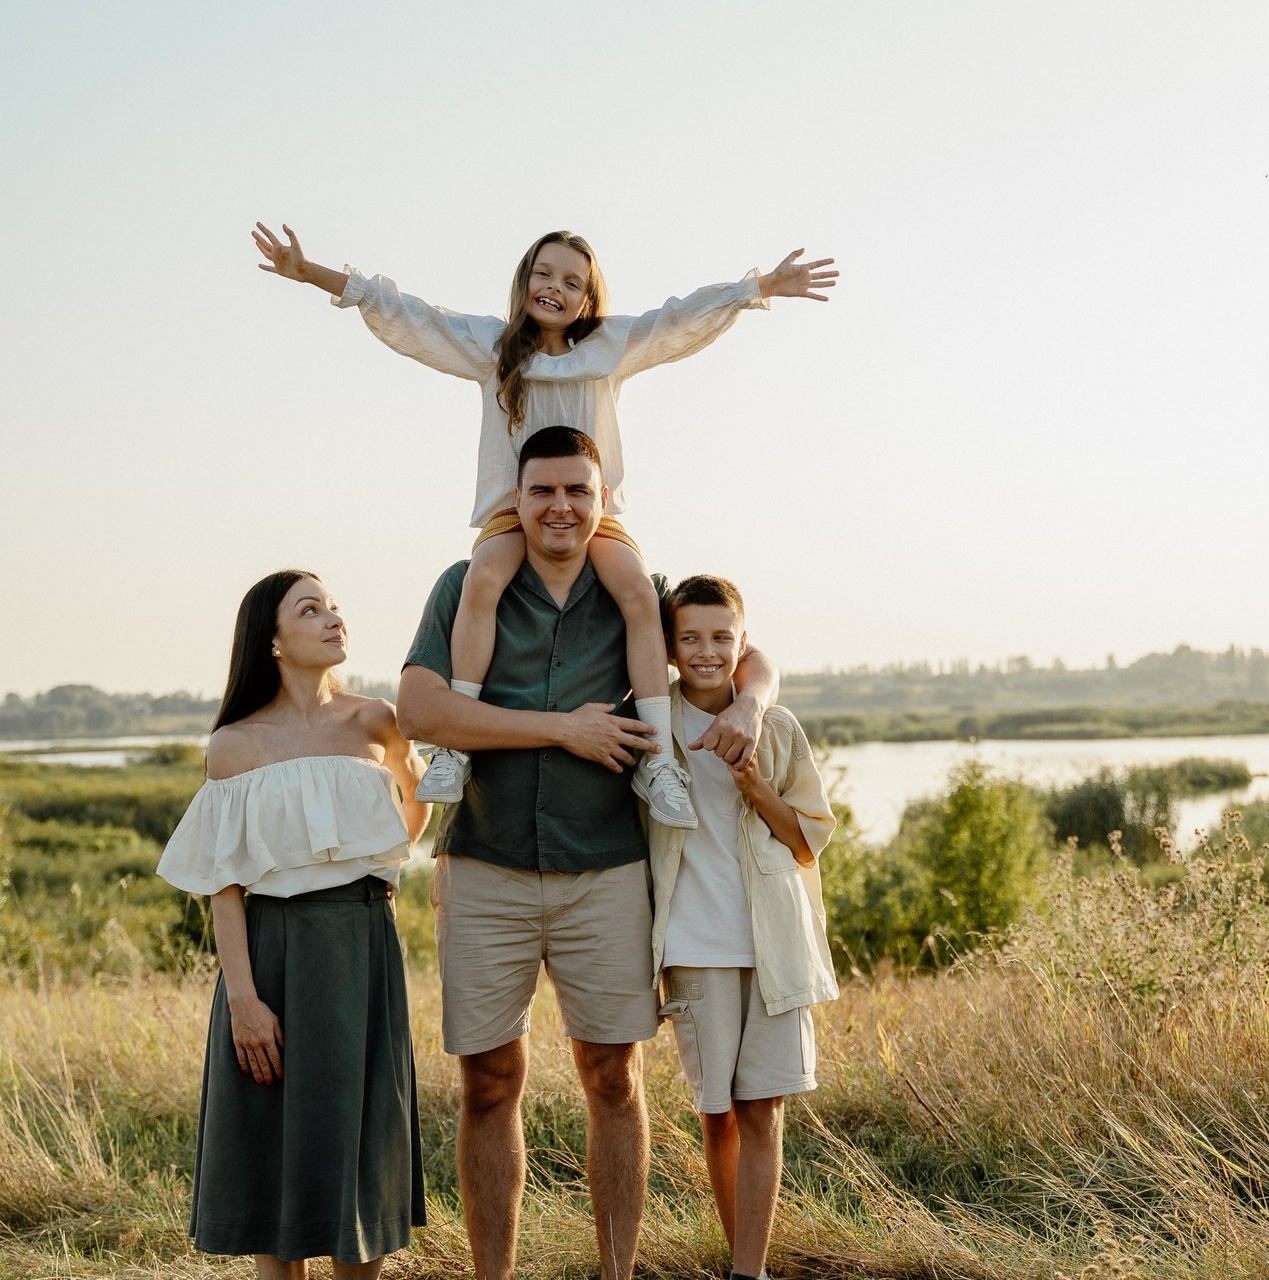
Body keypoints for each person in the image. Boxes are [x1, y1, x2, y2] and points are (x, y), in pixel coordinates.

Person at [252, 221, 835, 826]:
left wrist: (758, 286)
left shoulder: (610, 347)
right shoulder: (491, 346)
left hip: (591, 514)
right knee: (482, 578)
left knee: (636, 588)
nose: (555, 287)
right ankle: (453, 748)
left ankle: (658, 759)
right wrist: (310, 271)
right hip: (514, 510)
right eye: (544, 273)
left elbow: (676, 321)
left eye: (573, 281)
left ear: (589, 297)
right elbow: (408, 314)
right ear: (525, 280)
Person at [395, 427, 779, 1280]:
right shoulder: (466, 585)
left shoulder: (635, 590)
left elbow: (744, 650)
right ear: (517, 500)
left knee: (613, 1076)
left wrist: (751, 705)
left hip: (607, 869)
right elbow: (420, 708)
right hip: (485, 862)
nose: (561, 506)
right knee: (489, 1081)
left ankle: (617, 1275)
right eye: (543, 491)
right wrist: (561, 729)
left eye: (578, 490)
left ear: (603, 500)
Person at [156, 570, 430, 1280]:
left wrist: (377, 866)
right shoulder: (235, 746)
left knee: (359, 1149)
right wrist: (243, 1000)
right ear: (272, 642)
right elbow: (223, 887)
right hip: (272, 952)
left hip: (365, 945)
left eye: (335, 606)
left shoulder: (379, 720)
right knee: (271, 1149)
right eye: (312, 610)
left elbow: (413, 813)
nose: (334, 618)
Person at [649, 574, 840, 1280]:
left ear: (743, 640)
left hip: (774, 946)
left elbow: (805, 843)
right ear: (670, 647)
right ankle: (739, 1255)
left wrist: (756, 784)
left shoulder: (778, 727)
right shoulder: (654, 725)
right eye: (691, 638)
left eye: (721, 637)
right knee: (719, 1113)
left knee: (764, 1110)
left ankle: (747, 1273)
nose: (707, 651)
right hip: (694, 949)